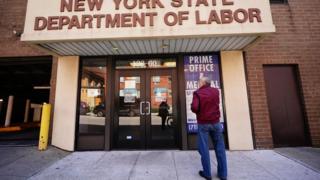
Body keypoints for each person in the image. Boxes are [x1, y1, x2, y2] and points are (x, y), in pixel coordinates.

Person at [191, 77, 227, 180]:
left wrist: (196, 110)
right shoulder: (216, 91)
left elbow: (194, 107)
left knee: (204, 148)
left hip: (203, 124)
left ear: (203, 83)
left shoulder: (197, 93)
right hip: (216, 123)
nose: (198, 83)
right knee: (220, 148)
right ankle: (223, 174)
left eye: (199, 82)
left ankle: (207, 173)